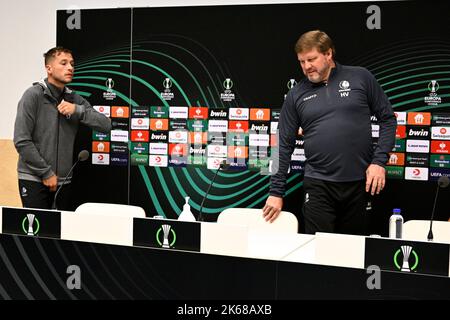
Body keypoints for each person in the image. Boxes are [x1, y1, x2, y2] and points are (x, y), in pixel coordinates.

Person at [262, 30, 397, 235]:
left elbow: (387, 119)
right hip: (318, 186)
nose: (307, 66)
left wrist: (379, 162)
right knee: (319, 253)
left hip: (359, 184)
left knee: (353, 252)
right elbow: (282, 143)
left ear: (328, 54)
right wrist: (275, 192)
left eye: (312, 59)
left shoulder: (360, 77)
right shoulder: (296, 94)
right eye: (301, 61)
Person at [14, 47, 111, 210]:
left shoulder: (74, 98)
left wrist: (77, 110)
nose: (70, 68)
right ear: (49, 68)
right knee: (37, 233)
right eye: (64, 63)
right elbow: (22, 140)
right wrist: (46, 173)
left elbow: (106, 125)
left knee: (59, 234)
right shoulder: (33, 95)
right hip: (33, 178)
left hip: (63, 181)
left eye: (72, 64)